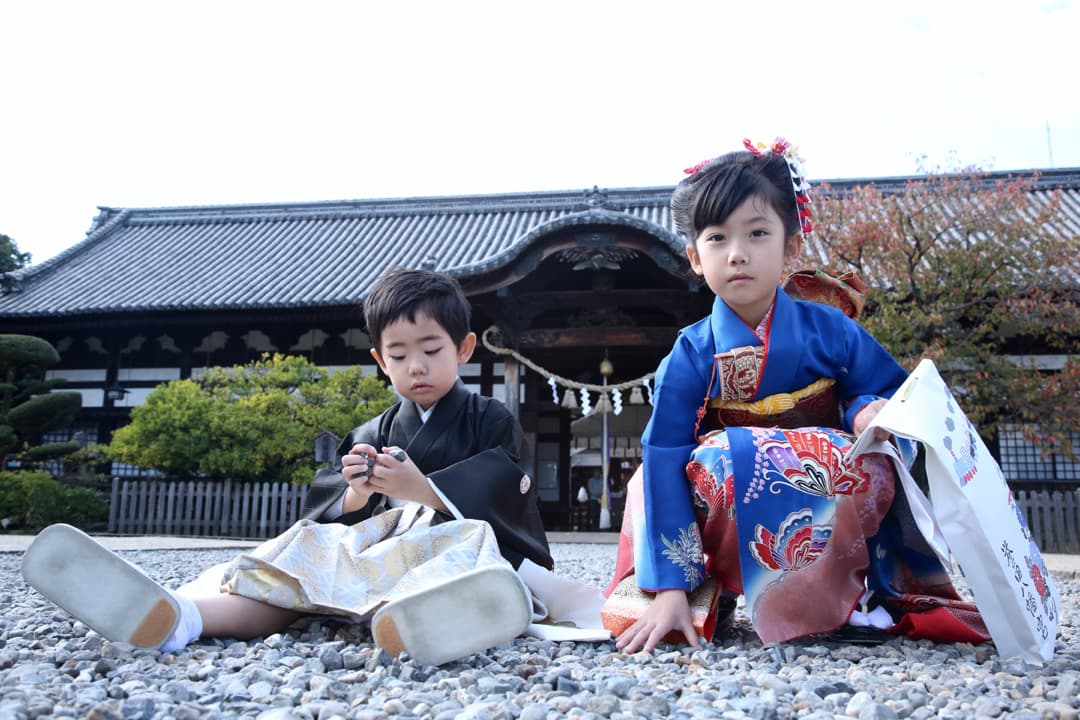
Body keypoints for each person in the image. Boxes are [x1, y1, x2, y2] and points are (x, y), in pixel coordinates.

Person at [23, 268, 579, 666]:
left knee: (458, 557)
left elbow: (507, 498)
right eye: (400, 353)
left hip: (454, 555)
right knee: (298, 575)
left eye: (431, 350)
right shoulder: (373, 433)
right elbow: (329, 510)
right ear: (380, 361)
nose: (417, 365)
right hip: (378, 562)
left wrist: (424, 490)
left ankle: (426, 621)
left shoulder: (491, 419)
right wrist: (359, 495)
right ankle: (182, 616)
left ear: (463, 349)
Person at [601, 138, 990, 653]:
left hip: (824, 482)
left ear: (792, 246)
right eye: (717, 238)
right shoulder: (692, 352)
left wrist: (864, 410)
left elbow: (893, 390)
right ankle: (694, 593)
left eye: (758, 233)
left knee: (870, 461)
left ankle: (848, 598)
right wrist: (670, 585)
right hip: (728, 489)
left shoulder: (829, 329)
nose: (737, 253)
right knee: (667, 474)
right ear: (695, 258)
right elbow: (665, 450)